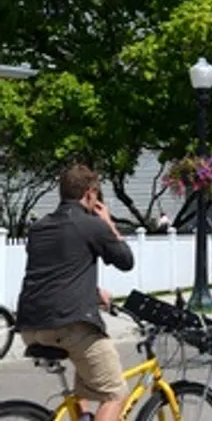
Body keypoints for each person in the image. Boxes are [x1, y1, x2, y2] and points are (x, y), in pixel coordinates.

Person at [16, 164, 135, 421]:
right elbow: (126, 260)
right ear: (90, 194)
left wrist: (91, 292)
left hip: (30, 326)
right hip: (70, 324)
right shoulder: (91, 224)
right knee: (115, 393)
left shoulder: (39, 228)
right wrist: (108, 223)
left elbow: (56, 273)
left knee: (85, 384)